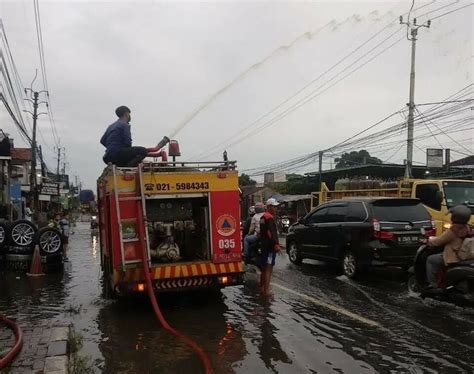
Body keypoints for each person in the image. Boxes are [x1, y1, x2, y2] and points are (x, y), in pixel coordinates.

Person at [426, 205, 472, 289]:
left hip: (453, 257)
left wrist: (428, 240)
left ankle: (433, 284)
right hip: (466, 256)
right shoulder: (468, 228)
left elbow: (437, 242)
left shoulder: (452, 231)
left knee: (431, 259)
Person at [259, 198, 282, 295]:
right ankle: (266, 290)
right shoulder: (270, 218)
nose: (276, 209)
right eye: (274, 207)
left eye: (276, 207)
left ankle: (262, 287)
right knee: (269, 269)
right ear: (269, 207)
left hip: (264, 246)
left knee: (264, 269)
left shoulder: (262, 218)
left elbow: (263, 233)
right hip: (269, 248)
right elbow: (272, 233)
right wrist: (276, 244)